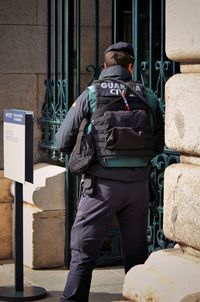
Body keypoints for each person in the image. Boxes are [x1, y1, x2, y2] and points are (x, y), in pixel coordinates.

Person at [56, 41, 164, 302]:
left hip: (100, 187)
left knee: (83, 251)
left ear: (105, 66)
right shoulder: (147, 95)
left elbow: (61, 141)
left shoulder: (91, 93)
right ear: (130, 66)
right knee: (137, 255)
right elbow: (159, 143)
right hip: (138, 187)